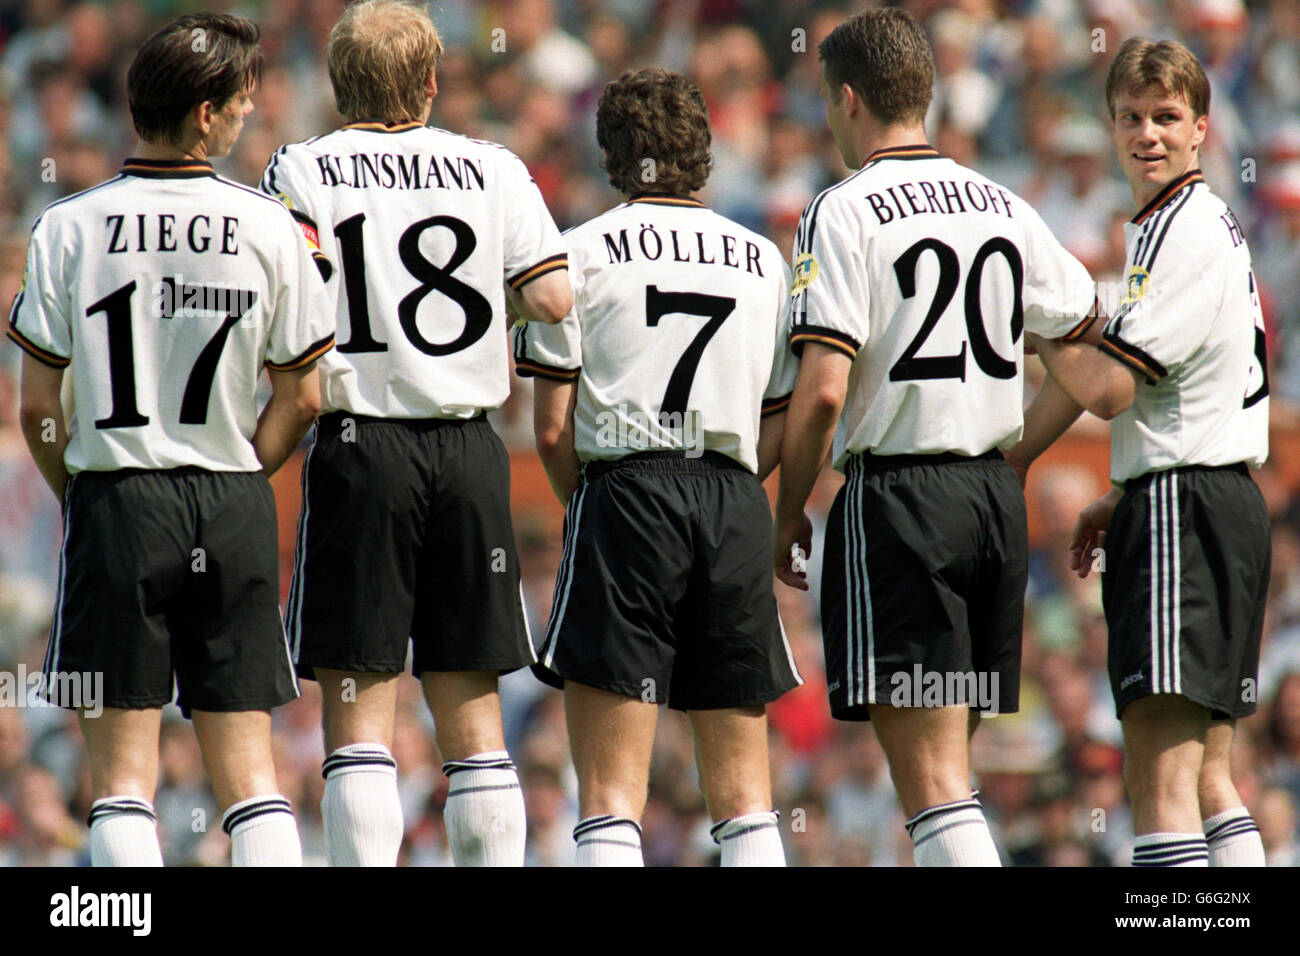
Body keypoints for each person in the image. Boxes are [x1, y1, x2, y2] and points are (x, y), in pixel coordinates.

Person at [772, 8, 1098, 866]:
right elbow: (1090, 345)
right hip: (991, 503)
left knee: (932, 788)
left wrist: (788, 509)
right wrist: (1018, 453)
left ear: (847, 99)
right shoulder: (1004, 203)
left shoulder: (840, 211)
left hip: (900, 503)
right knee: (953, 772)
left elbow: (822, 391)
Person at [8, 14, 332, 866]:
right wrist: (241, 473)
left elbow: (39, 405)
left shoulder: (68, 226)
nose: (249, 111)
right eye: (240, 100)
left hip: (117, 495)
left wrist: (80, 488)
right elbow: (304, 398)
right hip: (227, 498)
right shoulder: (271, 227)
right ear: (202, 115)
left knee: (120, 782)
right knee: (251, 776)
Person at [260, 0, 571, 867]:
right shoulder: (492, 166)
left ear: (337, 84)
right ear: (432, 82)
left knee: (361, 714)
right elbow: (551, 297)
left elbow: (279, 295)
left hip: (362, 446)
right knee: (474, 720)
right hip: (469, 449)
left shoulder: (304, 165)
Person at [516, 67, 801, 866]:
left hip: (626, 491)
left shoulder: (576, 254)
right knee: (747, 800)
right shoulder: (761, 260)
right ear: (704, 153)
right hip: (733, 497)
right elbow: (778, 418)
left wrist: (601, 504)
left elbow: (549, 430)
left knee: (609, 799)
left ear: (611, 154)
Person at [1011, 37, 1270, 867]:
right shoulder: (1179, 225)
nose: (1147, 133)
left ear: (1201, 128)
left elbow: (1109, 388)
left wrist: (1048, 322)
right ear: (1111, 124)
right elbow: (1163, 390)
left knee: (1159, 783)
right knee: (1207, 780)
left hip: (1183, 513)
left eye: (1167, 117)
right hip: (1205, 501)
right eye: (1131, 116)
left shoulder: (1183, 230)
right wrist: (1116, 489)